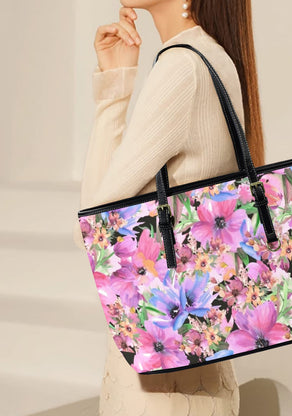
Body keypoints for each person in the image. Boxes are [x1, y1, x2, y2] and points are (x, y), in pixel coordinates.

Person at [73, 0, 266, 414]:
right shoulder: (212, 56)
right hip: (198, 375)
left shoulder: (181, 68)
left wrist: (113, 97)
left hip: (161, 389)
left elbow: (93, 229)